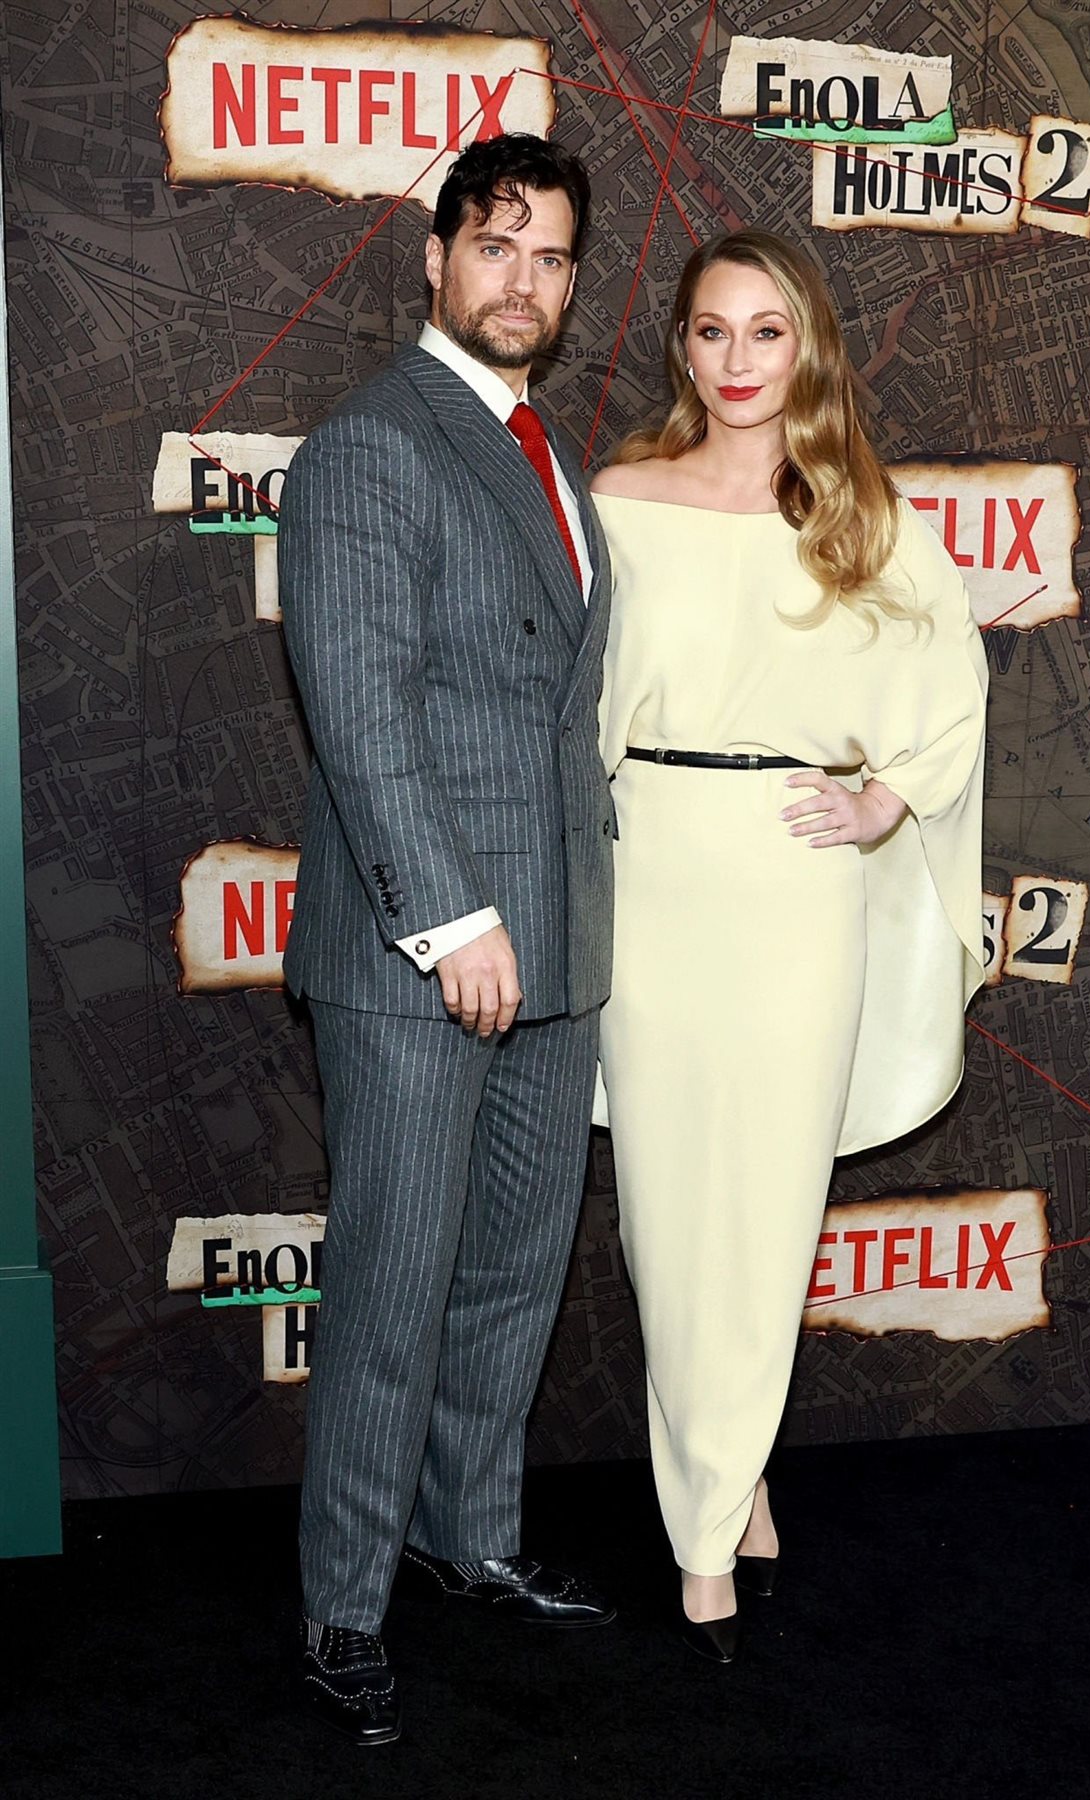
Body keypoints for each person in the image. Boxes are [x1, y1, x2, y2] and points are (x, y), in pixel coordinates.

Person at [590, 230, 987, 1664]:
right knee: (662, 1220)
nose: (740, 360)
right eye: (713, 331)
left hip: (795, 886)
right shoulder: (619, 500)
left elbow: (951, 679)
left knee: (765, 1214)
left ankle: (703, 1533)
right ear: (682, 348)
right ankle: (731, 1478)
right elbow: (564, 694)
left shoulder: (858, 514)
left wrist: (889, 796)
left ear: (806, 345)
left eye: (768, 332)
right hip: (650, 878)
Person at [278, 134, 616, 1746]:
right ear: (435, 260)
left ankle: (467, 1537)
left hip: (558, 947)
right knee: (393, 1288)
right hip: (428, 956)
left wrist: (557, 929)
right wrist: (453, 920)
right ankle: (343, 1605)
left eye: (550, 256)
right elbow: (360, 711)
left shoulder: (550, 454)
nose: (522, 280)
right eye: (496, 245)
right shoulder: (370, 446)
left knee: (508, 1277)